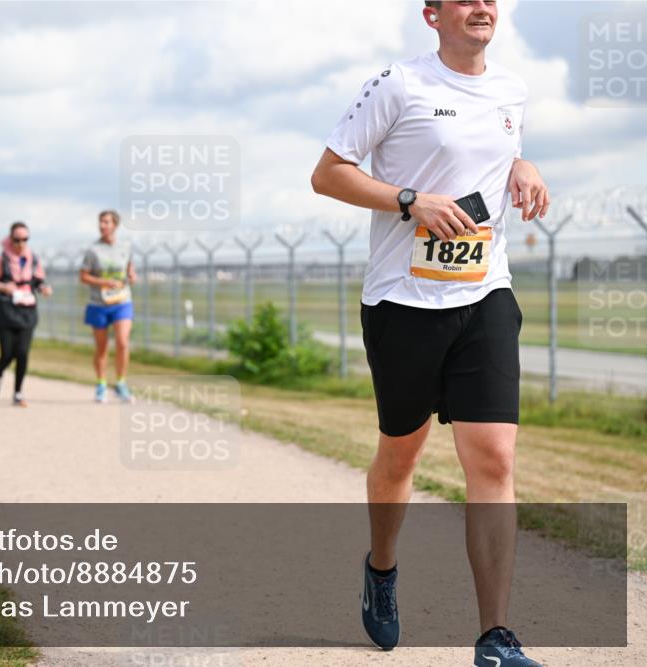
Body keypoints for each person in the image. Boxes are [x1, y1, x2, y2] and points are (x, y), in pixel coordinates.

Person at [310, 2, 550, 665]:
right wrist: (412, 199)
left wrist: (521, 166)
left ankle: (496, 636)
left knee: (494, 459)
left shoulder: (510, 89)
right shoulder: (400, 84)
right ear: (433, 15)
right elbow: (327, 173)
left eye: (490, 0)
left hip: (485, 296)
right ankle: (381, 569)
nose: (482, 8)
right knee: (400, 457)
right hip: (403, 305)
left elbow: (491, 152)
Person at [0, 222, 52, 407]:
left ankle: (18, 393)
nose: (21, 243)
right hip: (6, 311)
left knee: (22, 353)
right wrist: (3, 286)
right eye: (17, 240)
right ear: (10, 239)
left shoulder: (34, 259)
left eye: (25, 239)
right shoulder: (2, 260)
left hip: (27, 311)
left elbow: (38, 282)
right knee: (7, 353)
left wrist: (44, 288)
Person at [79, 210, 136, 403]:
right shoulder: (93, 250)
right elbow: (83, 276)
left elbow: (129, 267)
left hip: (122, 301)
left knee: (122, 342)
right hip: (99, 303)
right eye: (100, 222)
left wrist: (132, 276)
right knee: (102, 348)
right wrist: (102, 282)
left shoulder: (125, 246)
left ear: (115, 225)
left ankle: (121, 383)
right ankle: (101, 384)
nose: (102, 225)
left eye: (106, 222)